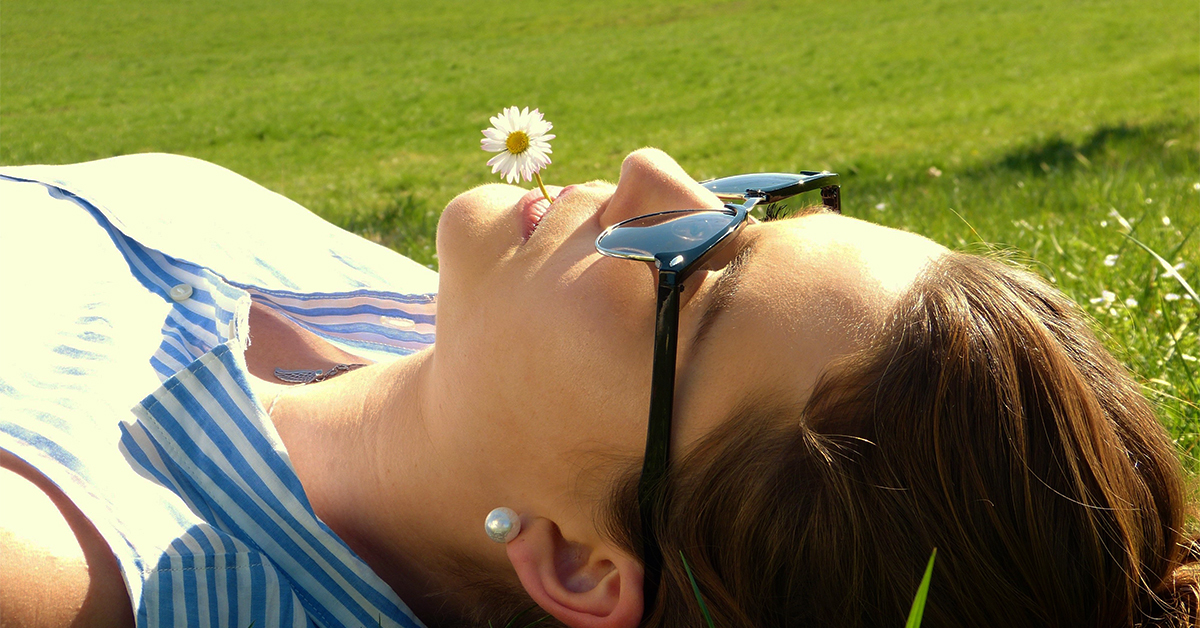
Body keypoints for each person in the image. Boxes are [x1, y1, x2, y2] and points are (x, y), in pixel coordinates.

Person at [0, 148, 1194, 628]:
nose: (652, 173)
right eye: (747, 209)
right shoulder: (440, 331)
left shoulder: (71, 561)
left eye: (691, 278)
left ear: (583, 563)